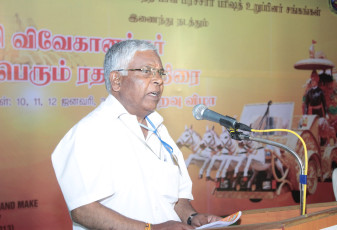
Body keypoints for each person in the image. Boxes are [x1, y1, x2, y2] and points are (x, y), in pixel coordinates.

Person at [51, 39, 221, 230]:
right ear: (116, 80)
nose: (159, 80)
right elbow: (84, 210)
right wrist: (151, 229)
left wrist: (192, 217)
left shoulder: (160, 131)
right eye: (147, 71)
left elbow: (174, 199)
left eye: (160, 72)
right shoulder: (89, 132)